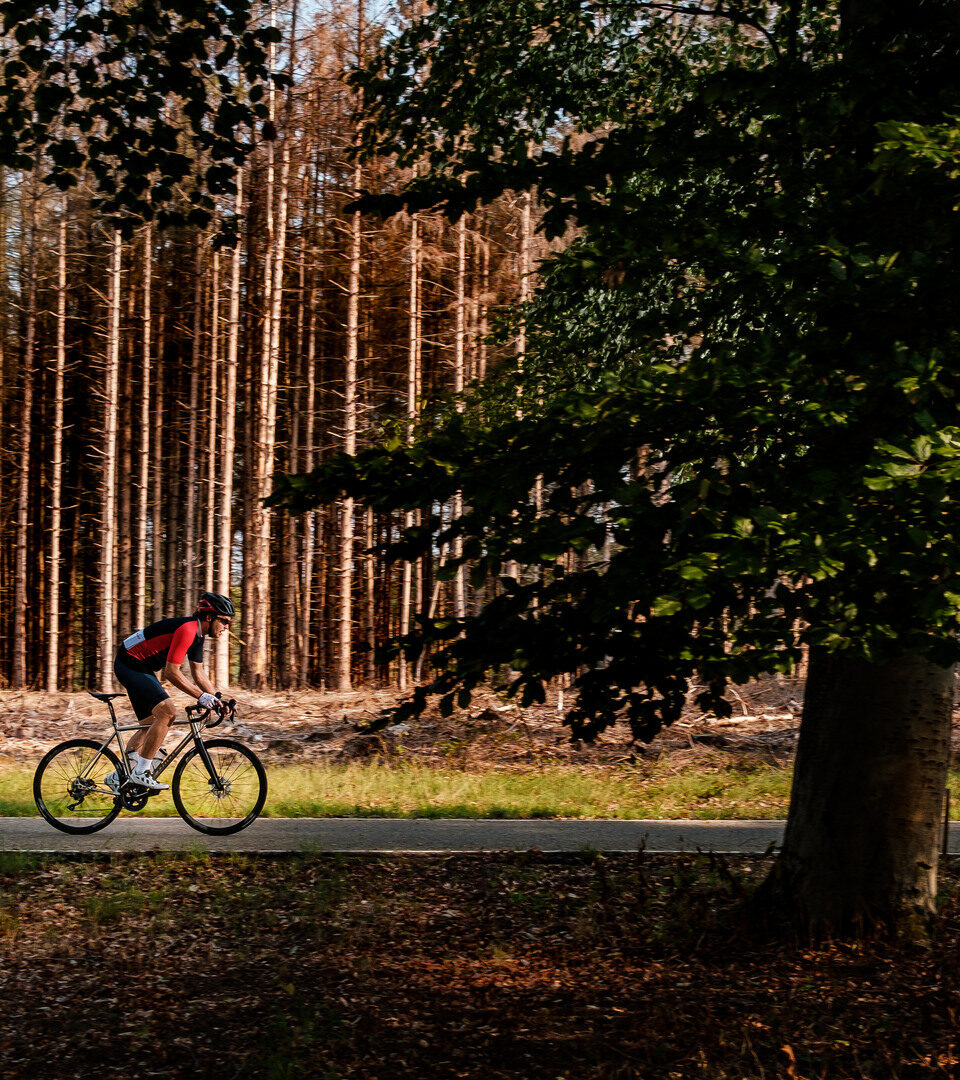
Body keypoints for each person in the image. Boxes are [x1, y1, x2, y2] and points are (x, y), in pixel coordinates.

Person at [105, 592, 235, 793]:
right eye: (225, 621)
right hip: (130, 664)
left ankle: (118, 776)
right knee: (168, 712)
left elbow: (198, 673)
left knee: (149, 725)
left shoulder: (198, 636)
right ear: (209, 617)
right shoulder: (188, 629)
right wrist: (201, 696)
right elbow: (171, 673)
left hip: (140, 667)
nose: (227, 627)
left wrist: (218, 699)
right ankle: (140, 773)